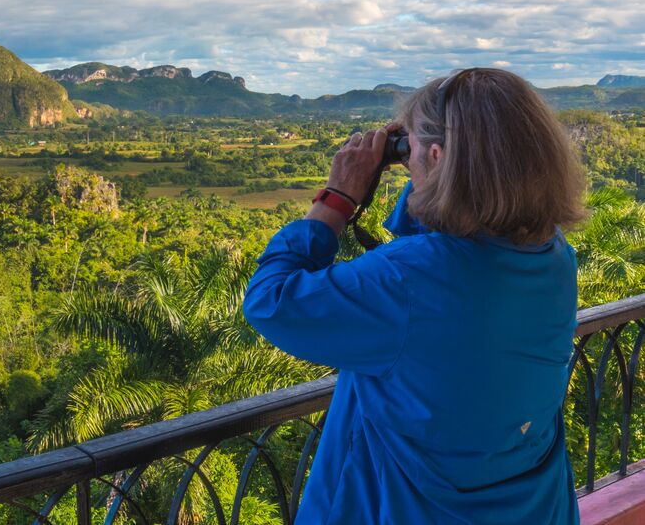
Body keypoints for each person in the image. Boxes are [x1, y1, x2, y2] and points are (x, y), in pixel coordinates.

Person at [243, 68, 587, 524]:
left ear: (439, 156)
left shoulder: (405, 281)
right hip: (530, 508)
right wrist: (429, 161)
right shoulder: (554, 257)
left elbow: (270, 300)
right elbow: (455, 246)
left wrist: (339, 197)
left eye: (416, 150)